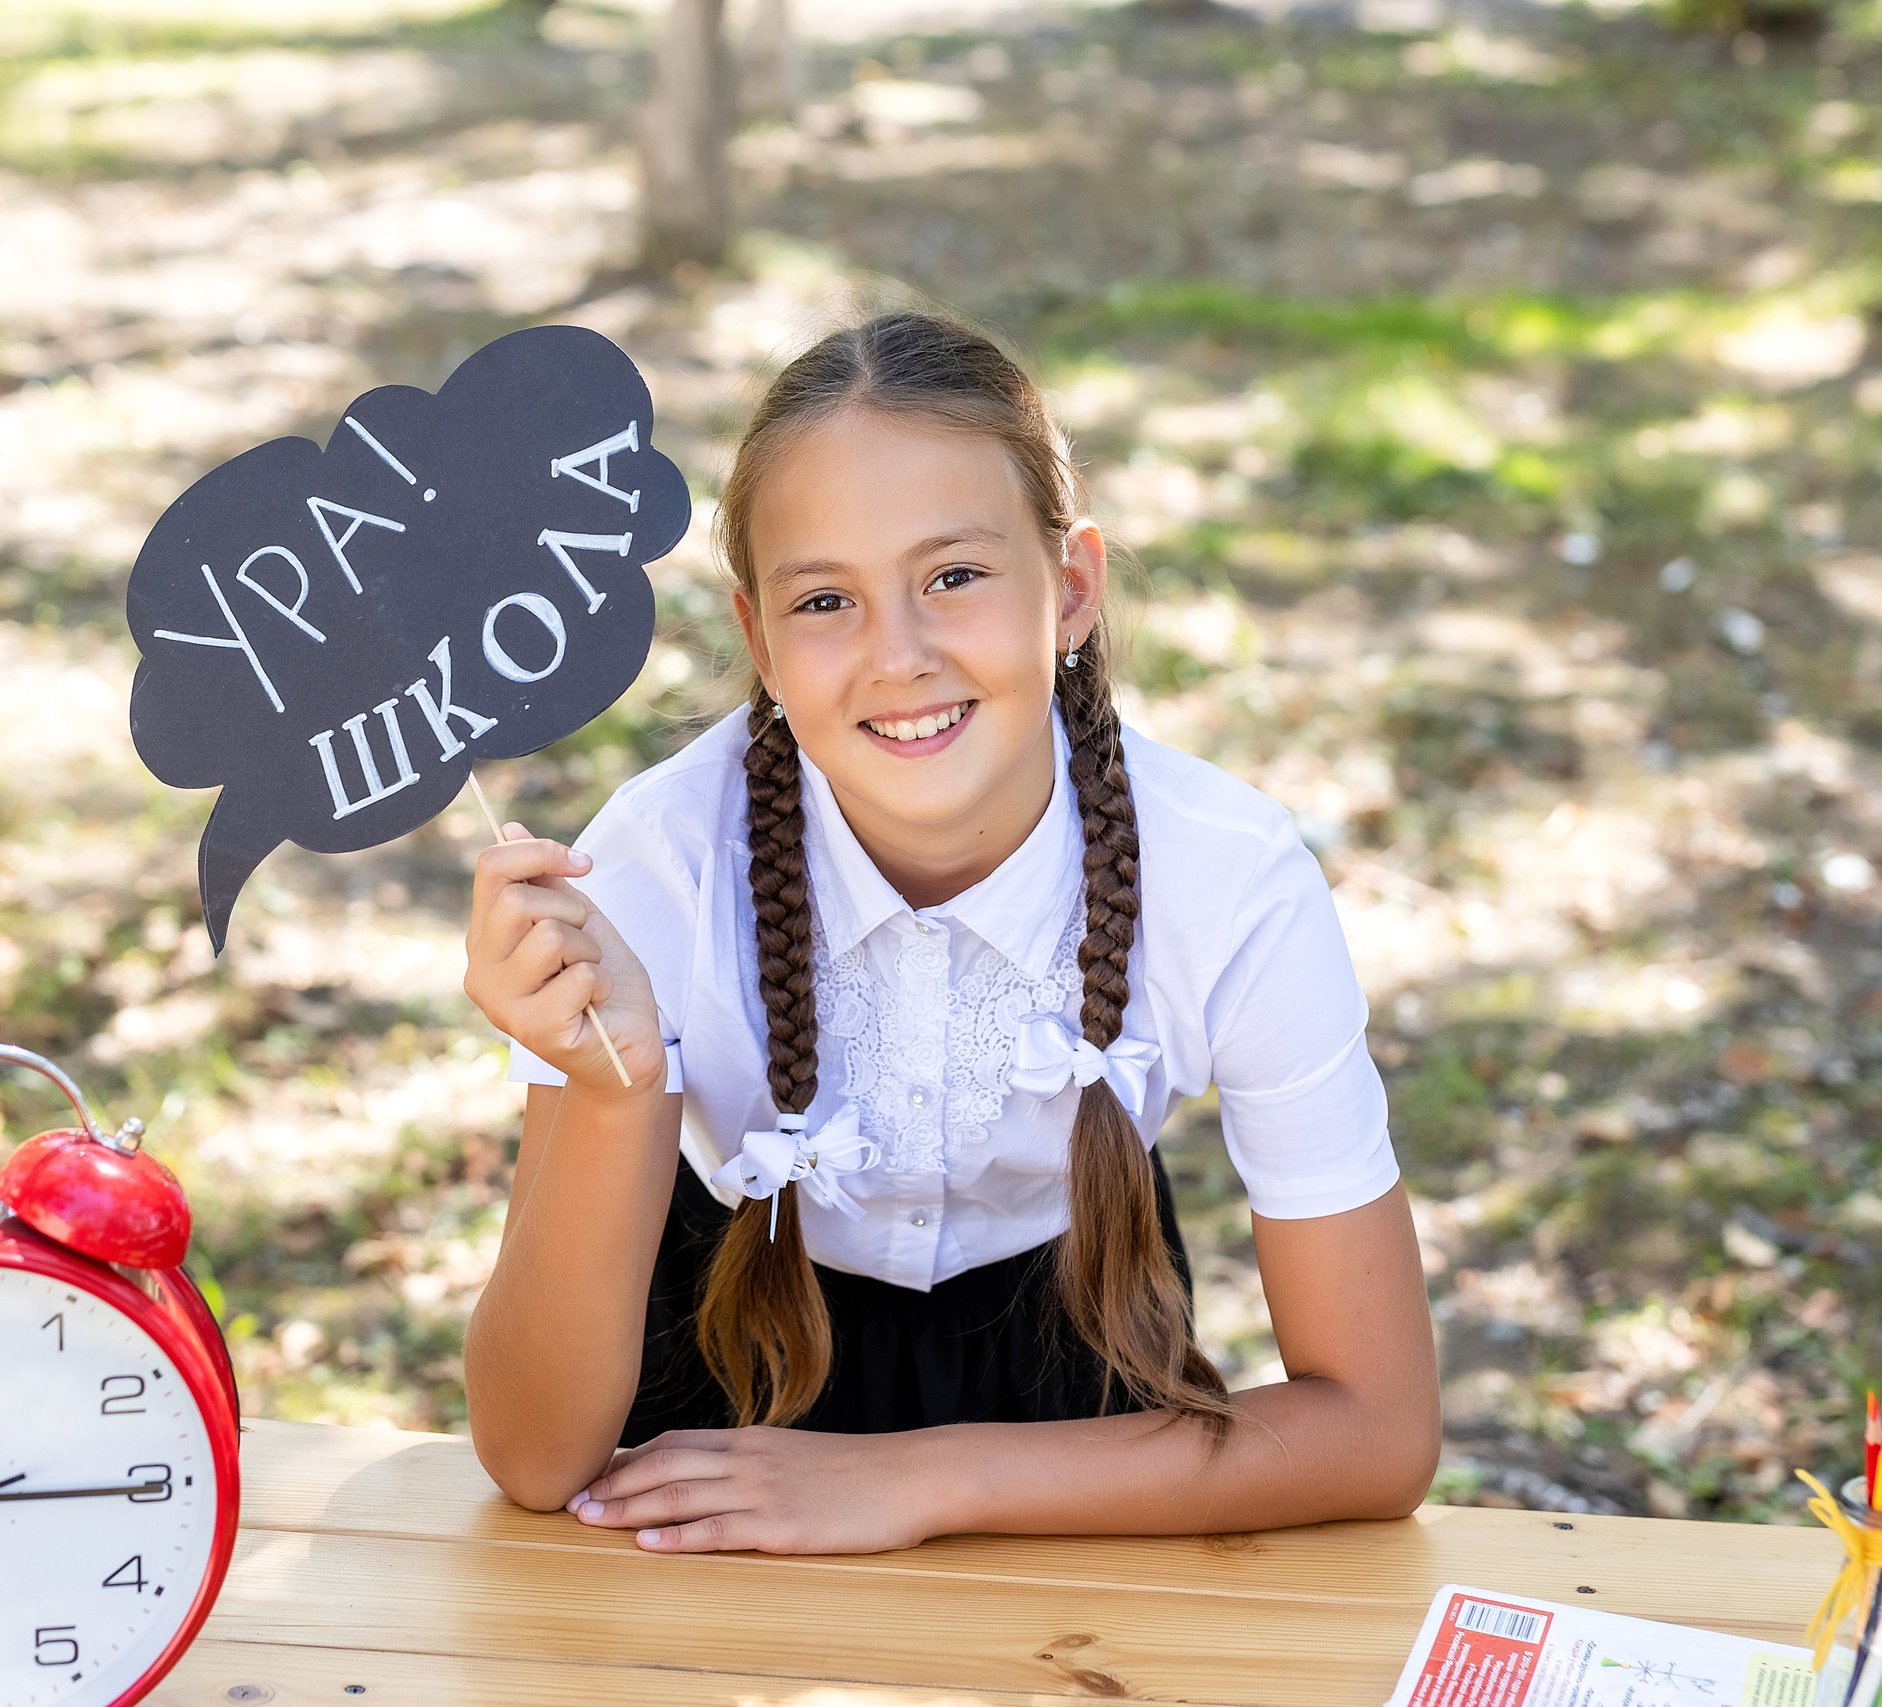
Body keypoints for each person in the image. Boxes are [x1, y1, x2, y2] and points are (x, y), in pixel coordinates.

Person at [460, 311, 1438, 1556]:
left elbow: (1377, 1429)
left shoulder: (1229, 882)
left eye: (954, 576)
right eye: (825, 600)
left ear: (1072, 589)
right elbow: (538, 1461)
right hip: (720, 1418)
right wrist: (612, 1096)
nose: (899, 657)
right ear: (758, 641)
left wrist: (917, 1481)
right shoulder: (653, 867)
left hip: (1078, 1439)